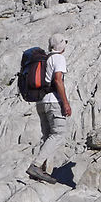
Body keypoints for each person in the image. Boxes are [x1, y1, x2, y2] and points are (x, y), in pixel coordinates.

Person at [26, 34, 72, 184]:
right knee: (58, 133)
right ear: (60, 45)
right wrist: (65, 102)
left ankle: (44, 171)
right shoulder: (58, 58)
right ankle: (36, 165)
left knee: (48, 137)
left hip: (41, 101)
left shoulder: (45, 58)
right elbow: (58, 80)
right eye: (64, 43)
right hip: (53, 101)